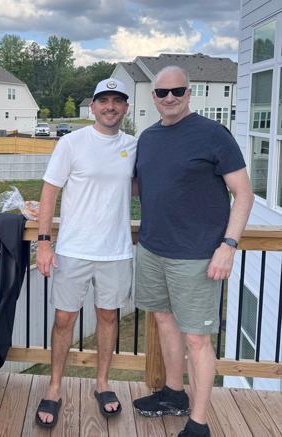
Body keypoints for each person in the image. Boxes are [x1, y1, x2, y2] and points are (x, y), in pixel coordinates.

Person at [132, 66, 254, 437]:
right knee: (164, 321)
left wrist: (228, 245)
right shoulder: (148, 138)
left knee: (198, 339)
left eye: (177, 91)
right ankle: (173, 393)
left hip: (198, 255)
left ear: (189, 93)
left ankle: (199, 424)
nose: (169, 98)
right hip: (152, 248)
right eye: (162, 92)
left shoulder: (213, 134)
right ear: (154, 97)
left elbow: (244, 194)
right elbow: (140, 186)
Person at [35, 78, 137, 428]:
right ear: (92, 107)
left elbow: (141, 185)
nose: (110, 106)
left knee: (108, 317)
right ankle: (54, 388)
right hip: (74, 248)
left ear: (125, 108)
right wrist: (44, 242)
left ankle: (103, 383)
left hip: (116, 250)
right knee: (64, 320)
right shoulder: (71, 143)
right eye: (103, 100)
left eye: (117, 101)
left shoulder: (134, 146)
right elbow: (49, 192)